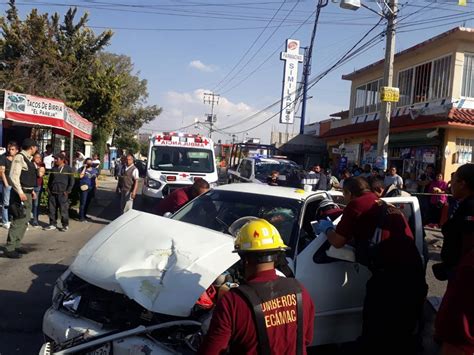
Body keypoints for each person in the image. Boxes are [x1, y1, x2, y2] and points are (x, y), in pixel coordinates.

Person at [314, 177, 426, 354]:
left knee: (375, 328)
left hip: (390, 278)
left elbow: (337, 242)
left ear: (349, 193)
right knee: (403, 331)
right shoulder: (382, 203)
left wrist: (327, 229)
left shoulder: (356, 205)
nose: (344, 199)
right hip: (414, 273)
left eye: (344, 195)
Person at [199, 217, 315, 354]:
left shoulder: (233, 302)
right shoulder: (300, 290)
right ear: (277, 255)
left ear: (244, 258)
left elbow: (212, 351)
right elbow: (306, 339)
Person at [434, 164, 474, 355]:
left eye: (454, 181)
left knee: (457, 324)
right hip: (457, 270)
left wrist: (454, 266)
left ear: (463, 184)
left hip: (464, 274)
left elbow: (465, 242)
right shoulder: (463, 204)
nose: (450, 185)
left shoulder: (471, 207)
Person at [3, 138, 38, 258]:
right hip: (20, 194)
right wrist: (20, 192)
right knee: (18, 219)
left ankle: (17, 244)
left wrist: (32, 190)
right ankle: (10, 247)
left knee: (25, 219)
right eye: (35, 147)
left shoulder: (28, 159)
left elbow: (27, 177)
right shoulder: (20, 158)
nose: (36, 149)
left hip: (27, 193)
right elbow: (14, 177)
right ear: (32, 147)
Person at [44, 154, 75, 231]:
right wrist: (48, 188)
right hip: (53, 193)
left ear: (62, 160)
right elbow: (50, 180)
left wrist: (68, 191)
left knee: (63, 210)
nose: (55, 160)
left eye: (56, 159)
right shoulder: (54, 168)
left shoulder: (68, 169)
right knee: (52, 209)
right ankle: (52, 224)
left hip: (62, 193)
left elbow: (72, 181)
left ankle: (65, 225)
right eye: (54, 159)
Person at [0, 142, 19, 229]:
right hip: (7, 184)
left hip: (16, 185)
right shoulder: (4, 158)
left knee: (15, 203)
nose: (11, 151)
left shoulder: (18, 160)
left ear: (16, 151)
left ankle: (14, 219)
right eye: (10, 149)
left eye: (13, 149)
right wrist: (6, 183)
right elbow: (2, 172)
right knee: (6, 203)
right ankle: (5, 221)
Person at [31, 152, 45, 227]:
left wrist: (38, 168)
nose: (38, 159)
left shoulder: (42, 165)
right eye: (36, 157)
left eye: (39, 157)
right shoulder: (30, 164)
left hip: (38, 186)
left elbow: (40, 174)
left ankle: (35, 220)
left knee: (36, 204)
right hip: (30, 185)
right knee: (29, 203)